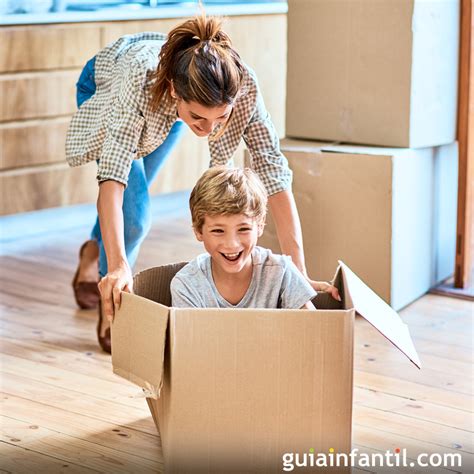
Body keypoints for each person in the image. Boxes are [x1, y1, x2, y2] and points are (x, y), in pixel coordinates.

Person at [66, 14, 337, 353]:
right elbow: (113, 179)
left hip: (172, 95)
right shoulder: (141, 86)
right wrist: (121, 266)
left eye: (220, 118)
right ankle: (112, 301)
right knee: (134, 213)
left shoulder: (242, 86)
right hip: (109, 85)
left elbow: (273, 171)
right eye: (199, 119)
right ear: (173, 94)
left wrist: (298, 271)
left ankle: (92, 251)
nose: (209, 130)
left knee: (133, 196)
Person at [171, 167, 340, 309]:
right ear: (198, 232)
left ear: (259, 227)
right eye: (218, 231)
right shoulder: (187, 285)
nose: (231, 244)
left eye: (243, 229)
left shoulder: (281, 272)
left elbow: (313, 331)